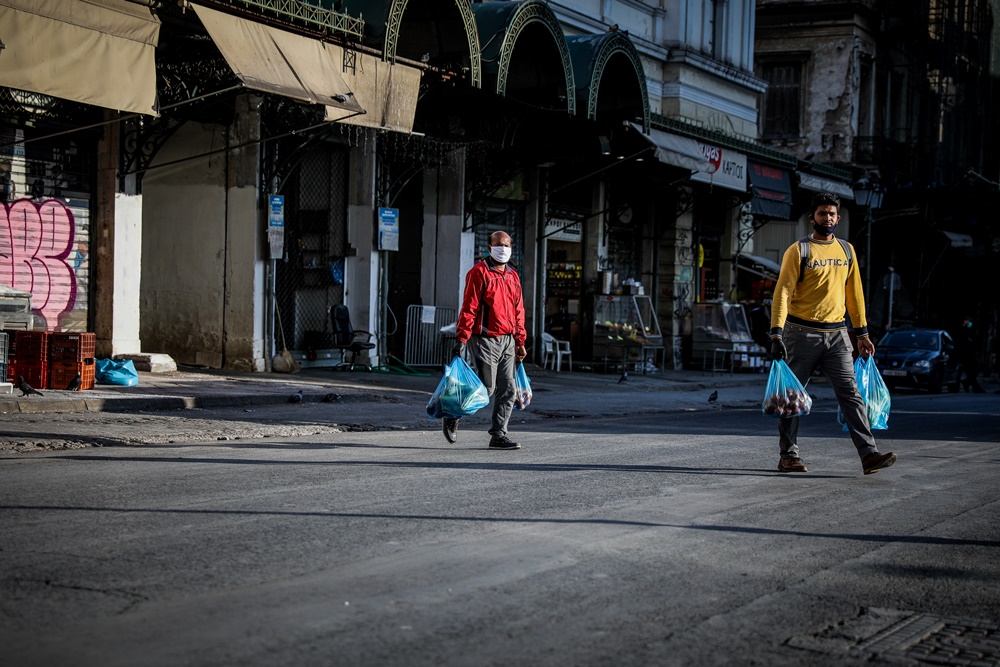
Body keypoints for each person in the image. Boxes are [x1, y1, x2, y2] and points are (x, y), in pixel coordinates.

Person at [769, 192, 897, 475]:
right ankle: (789, 456)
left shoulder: (847, 251)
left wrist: (862, 333)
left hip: (838, 335)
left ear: (838, 219)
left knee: (851, 395)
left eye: (831, 214)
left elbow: (855, 295)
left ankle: (869, 455)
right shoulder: (799, 250)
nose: (827, 218)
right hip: (800, 333)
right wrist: (776, 334)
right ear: (811, 217)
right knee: (791, 396)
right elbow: (783, 293)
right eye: (822, 213)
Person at [444, 231, 527, 450]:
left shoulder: (512, 276)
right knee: (486, 389)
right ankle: (452, 414)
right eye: (499, 244)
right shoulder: (478, 273)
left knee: (508, 389)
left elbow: (519, 310)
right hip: (484, 339)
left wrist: (520, 340)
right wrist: (462, 337)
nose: (503, 248)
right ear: (489, 248)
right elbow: (469, 307)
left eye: (507, 244)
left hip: (508, 340)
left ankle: (498, 435)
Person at [956, 316, 985, 393]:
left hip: (970, 355)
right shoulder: (962, 331)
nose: (969, 323)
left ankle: (968, 383)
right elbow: (961, 344)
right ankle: (974, 387)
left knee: (975, 369)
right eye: (967, 322)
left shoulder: (970, 332)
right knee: (971, 370)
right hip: (965, 356)